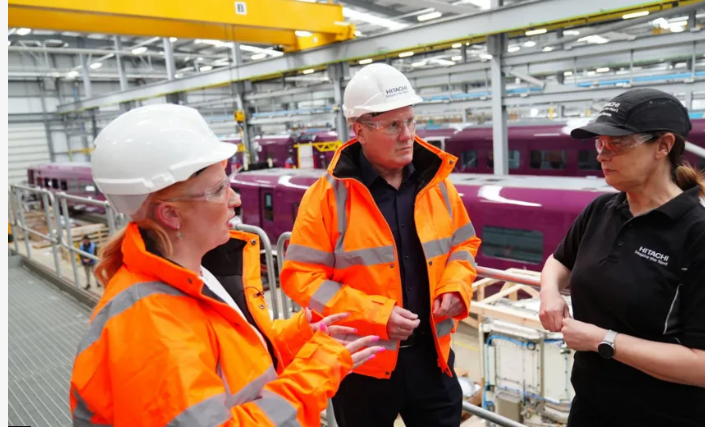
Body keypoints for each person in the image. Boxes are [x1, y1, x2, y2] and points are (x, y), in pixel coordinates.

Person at [70, 104, 383, 427]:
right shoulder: (151, 328)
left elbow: (231, 360)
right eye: (219, 189)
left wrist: (298, 336)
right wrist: (317, 372)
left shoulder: (194, 275)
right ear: (171, 215)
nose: (235, 200)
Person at [280, 63, 481, 427]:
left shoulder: (438, 187)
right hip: (362, 364)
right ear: (360, 131)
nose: (408, 135)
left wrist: (456, 285)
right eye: (393, 125)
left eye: (411, 122)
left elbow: (464, 244)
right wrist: (376, 315)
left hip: (433, 358)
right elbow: (301, 278)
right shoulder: (326, 199)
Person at [538, 88, 705, 427]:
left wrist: (602, 340)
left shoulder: (704, 237)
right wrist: (550, 293)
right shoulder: (601, 210)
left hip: (667, 415)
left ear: (663, 146)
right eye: (600, 143)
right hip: (592, 405)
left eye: (617, 144)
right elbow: (559, 262)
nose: (602, 155)